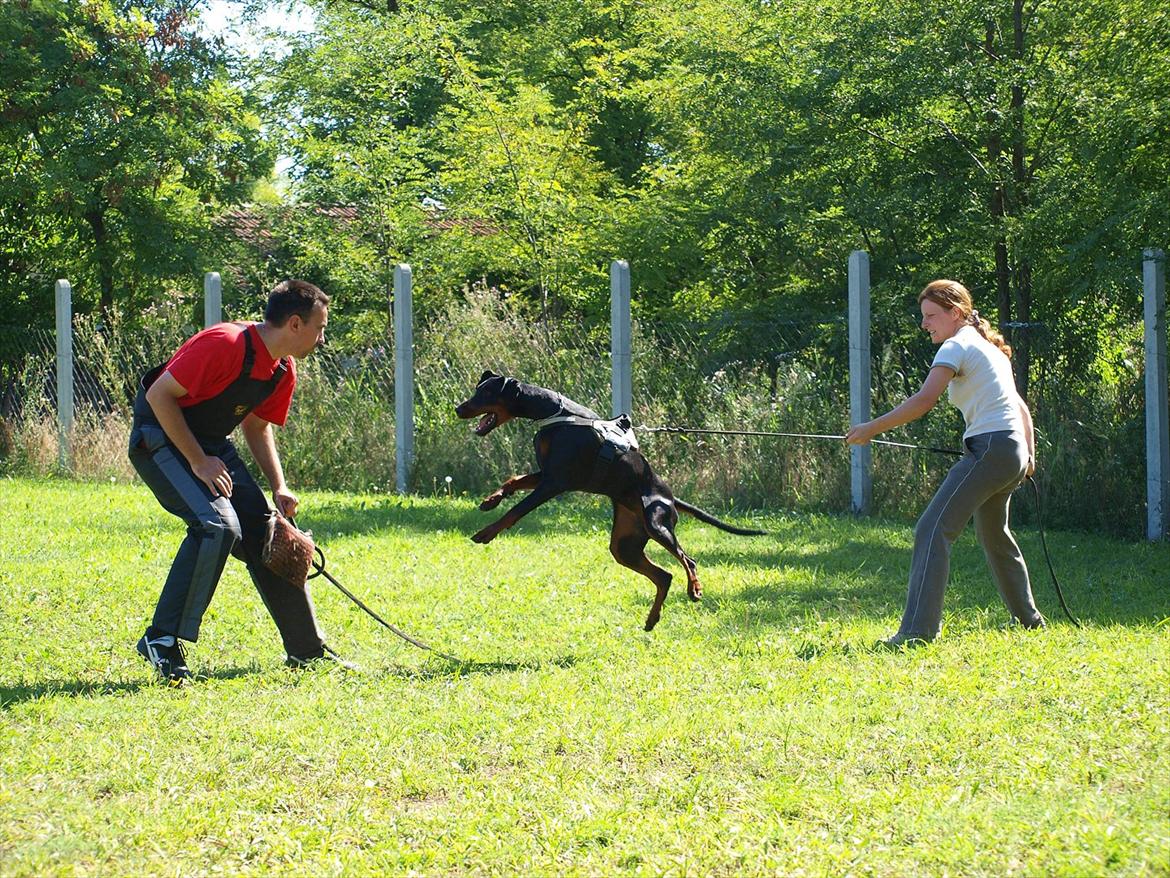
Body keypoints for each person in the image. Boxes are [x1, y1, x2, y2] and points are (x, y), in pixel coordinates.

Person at [129, 279, 349, 682]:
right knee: (216, 526)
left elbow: (257, 426)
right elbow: (160, 396)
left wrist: (278, 486)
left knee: (270, 533)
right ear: (295, 324)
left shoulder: (282, 369)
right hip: (158, 437)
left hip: (211, 445)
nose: (322, 337)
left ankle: (306, 651)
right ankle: (161, 640)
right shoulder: (225, 343)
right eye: (320, 328)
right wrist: (198, 461)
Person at [845, 279, 1045, 646]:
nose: (925, 324)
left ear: (955, 313)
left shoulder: (957, 346)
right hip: (1010, 453)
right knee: (994, 536)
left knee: (932, 529)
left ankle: (917, 632)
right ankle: (1031, 622)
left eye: (931, 316)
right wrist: (1028, 455)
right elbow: (1020, 408)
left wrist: (870, 429)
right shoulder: (989, 349)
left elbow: (924, 401)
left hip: (990, 450)